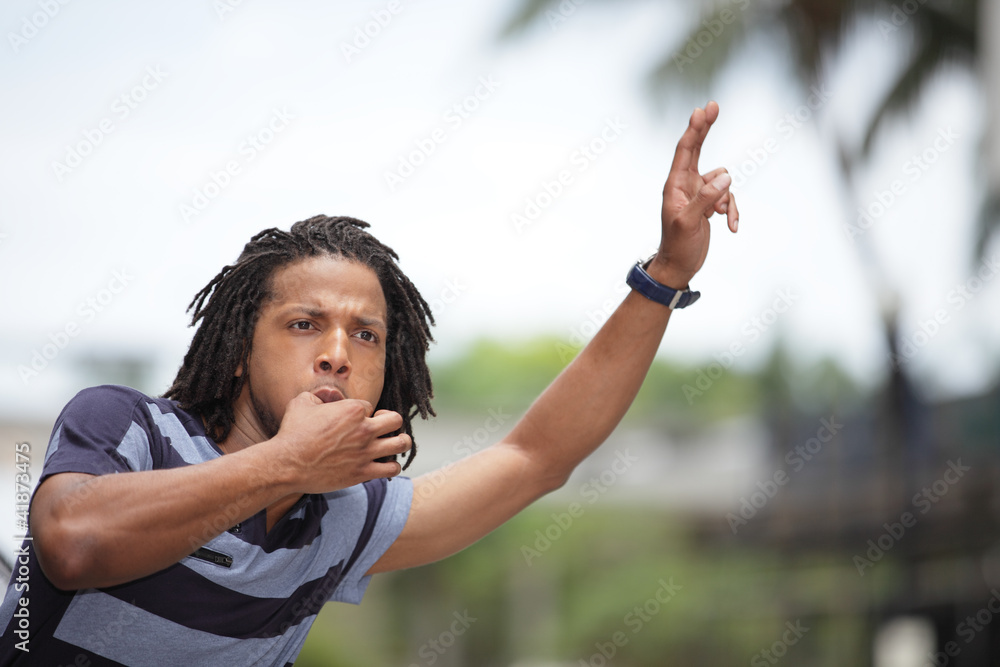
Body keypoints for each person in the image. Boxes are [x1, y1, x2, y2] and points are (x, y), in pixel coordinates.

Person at [0, 101, 738, 665]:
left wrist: (666, 275)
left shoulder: (341, 519)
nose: (336, 354)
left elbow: (536, 456)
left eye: (366, 335)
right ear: (234, 351)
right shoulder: (128, 426)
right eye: (302, 324)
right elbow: (74, 542)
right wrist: (287, 462)